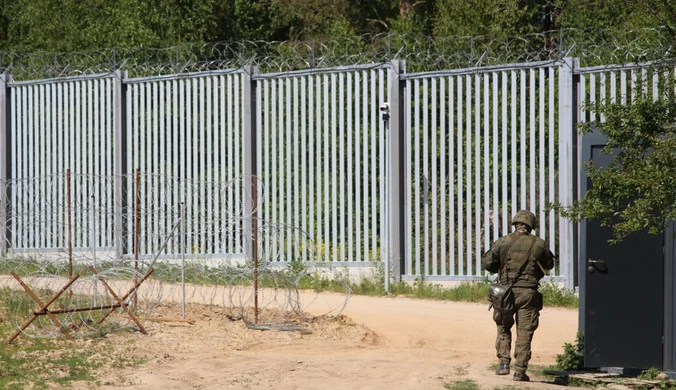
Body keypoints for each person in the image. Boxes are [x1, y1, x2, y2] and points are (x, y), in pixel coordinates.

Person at [481, 210, 555, 382]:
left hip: (504, 293)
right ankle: (520, 371)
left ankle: (503, 364)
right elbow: (549, 264)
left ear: (515, 224)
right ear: (531, 225)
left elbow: (488, 263)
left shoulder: (503, 241)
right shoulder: (539, 244)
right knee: (525, 332)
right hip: (528, 294)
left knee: (503, 327)